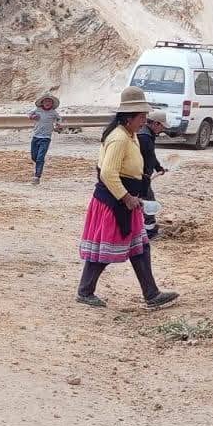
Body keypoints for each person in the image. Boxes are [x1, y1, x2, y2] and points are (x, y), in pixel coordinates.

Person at [76, 87, 179, 309]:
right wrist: (125, 197)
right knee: (105, 249)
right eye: (142, 116)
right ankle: (85, 291)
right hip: (114, 201)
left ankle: (152, 294)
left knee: (140, 247)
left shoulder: (128, 135)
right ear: (129, 117)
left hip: (125, 200)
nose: (145, 120)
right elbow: (108, 172)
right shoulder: (119, 138)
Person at [139, 109, 169, 238]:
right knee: (149, 202)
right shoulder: (145, 137)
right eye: (162, 126)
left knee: (143, 202)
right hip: (140, 177)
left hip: (141, 176)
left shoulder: (146, 134)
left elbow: (151, 156)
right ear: (156, 124)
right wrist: (146, 175)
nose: (162, 130)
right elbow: (146, 157)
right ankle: (149, 231)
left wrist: (158, 168)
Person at [27, 94, 63, 185]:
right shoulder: (37, 110)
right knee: (34, 156)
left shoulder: (53, 112)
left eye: (49, 102)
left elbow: (59, 119)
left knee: (40, 157)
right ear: (42, 102)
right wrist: (33, 117)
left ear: (52, 104)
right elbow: (29, 115)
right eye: (46, 101)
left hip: (46, 138)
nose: (47, 103)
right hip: (36, 136)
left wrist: (58, 125)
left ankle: (37, 176)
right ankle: (39, 164)